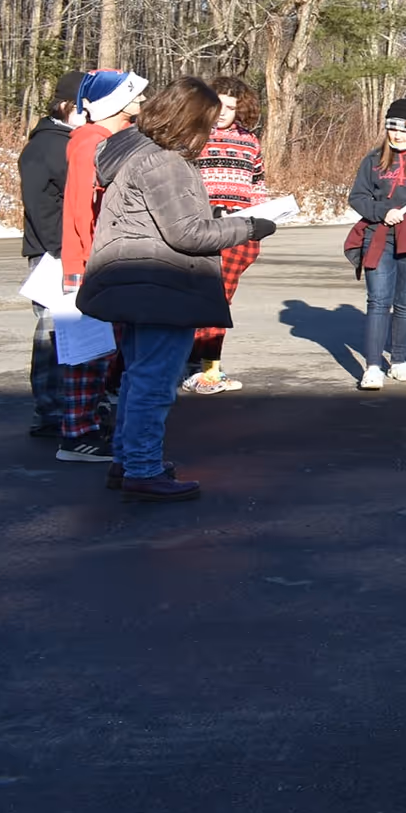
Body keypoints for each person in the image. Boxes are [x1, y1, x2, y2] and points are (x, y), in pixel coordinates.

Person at [78, 77, 279, 500]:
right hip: (159, 283)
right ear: (187, 121)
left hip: (137, 279)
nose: (209, 133)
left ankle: (129, 459)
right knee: (155, 381)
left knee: (138, 377)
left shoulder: (137, 154)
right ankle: (143, 469)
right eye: (206, 124)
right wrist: (249, 225)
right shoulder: (165, 162)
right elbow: (187, 233)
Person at [55, 68, 149, 463]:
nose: (142, 102)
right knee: (87, 351)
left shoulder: (109, 139)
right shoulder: (90, 141)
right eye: (134, 96)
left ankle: (90, 424)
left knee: (102, 350)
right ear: (113, 102)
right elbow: (79, 207)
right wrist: (82, 264)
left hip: (105, 259)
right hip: (92, 262)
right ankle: (76, 435)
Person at [346, 97, 406, 391]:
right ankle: (373, 366)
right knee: (378, 302)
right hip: (378, 237)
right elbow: (358, 197)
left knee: (405, 304)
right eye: (392, 128)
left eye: (404, 129)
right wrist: (380, 211)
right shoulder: (373, 160)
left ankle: (399, 361)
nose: (397, 134)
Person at [183, 74, 267, 394]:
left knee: (220, 302)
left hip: (239, 231)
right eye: (219, 104)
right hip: (201, 228)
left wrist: (258, 224)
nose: (223, 112)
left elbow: (257, 184)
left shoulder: (250, 140)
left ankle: (206, 368)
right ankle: (197, 367)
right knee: (201, 302)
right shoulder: (193, 135)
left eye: (231, 107)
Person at [18, 70, 85, 439]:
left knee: (64, 331)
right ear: (65, 106)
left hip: (60, 251)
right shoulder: (48, 145)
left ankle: (60, 406)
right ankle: (50, 408)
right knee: (53, 332)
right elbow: (40, 206)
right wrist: (59, 252)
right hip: (52, 254)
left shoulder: (64, 141)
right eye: (81, 109)